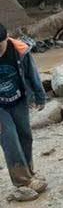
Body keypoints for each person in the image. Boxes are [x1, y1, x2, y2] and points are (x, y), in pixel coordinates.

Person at [0, 23, 47, 198]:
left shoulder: (20, 51)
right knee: (9, 139)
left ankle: (29, 172)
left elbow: (32, 74)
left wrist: (40, 96)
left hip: (19, 99)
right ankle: (22, 181)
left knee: (25, 135)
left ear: (6, 39)